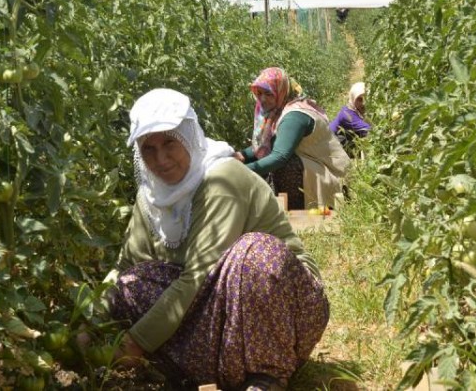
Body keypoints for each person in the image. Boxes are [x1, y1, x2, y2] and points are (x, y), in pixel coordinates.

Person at [103, 88, 329, 391]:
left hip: (290, 309)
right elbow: (125, 264)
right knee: (131, 283)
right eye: (148, 149)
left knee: (253, 255)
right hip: (222, 309)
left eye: (170, 142)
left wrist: (136, 342)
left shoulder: (221, 178)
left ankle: (267, 375)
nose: (161, 158)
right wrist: (86, 322)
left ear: (189, 137)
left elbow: (196, 276)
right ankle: (218, 369)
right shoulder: (151, 197)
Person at [234, 67, 350, 211]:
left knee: (284, 165)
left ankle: (296, 210)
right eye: (259, 93)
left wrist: (239, 172)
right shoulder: (279, 110)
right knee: (265, 162)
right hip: (313, 169)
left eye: (268, 94)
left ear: (280, 91)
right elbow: (267, 145)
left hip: (330, 178)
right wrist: (240, 156)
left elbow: (280, 156)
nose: (262, 99)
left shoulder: (294, 116)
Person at [329, 82, 371, 157]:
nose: (363, 103)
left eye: (366, 98)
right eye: (360, 99)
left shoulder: (352, 109)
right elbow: (368, 130)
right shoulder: (348, 115)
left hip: (338, 139)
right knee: (365, 142)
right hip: (332, 145)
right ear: (353, 99)